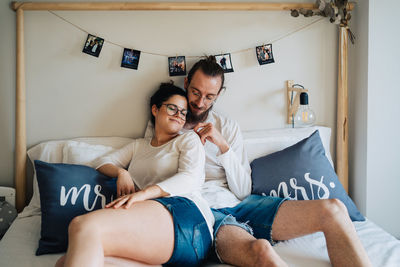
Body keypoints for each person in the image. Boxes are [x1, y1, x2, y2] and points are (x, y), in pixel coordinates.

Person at [145, 56, 372, 267]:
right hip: (204, 211)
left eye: (209, 96)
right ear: (186, 84)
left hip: (241, 203)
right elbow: (147, 168)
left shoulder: (227, 126)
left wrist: (223, 146)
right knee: (260, 251)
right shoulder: (165, 120)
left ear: (219, 94)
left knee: (333, 209)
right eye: (195, 92)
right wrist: (121, 172)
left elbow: (243, 190)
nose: (200, 102)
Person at [56, 83, 214, 267]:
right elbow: (100, 163)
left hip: (186, 217)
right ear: (155, 109)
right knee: (65, 262)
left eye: (183, 112)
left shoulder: (187, 139)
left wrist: (143, 194)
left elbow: (190, 178)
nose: (179, 115)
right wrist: (121, 172)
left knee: (83, 226)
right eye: (173, 108)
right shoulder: (139, 146)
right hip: (159, 233)